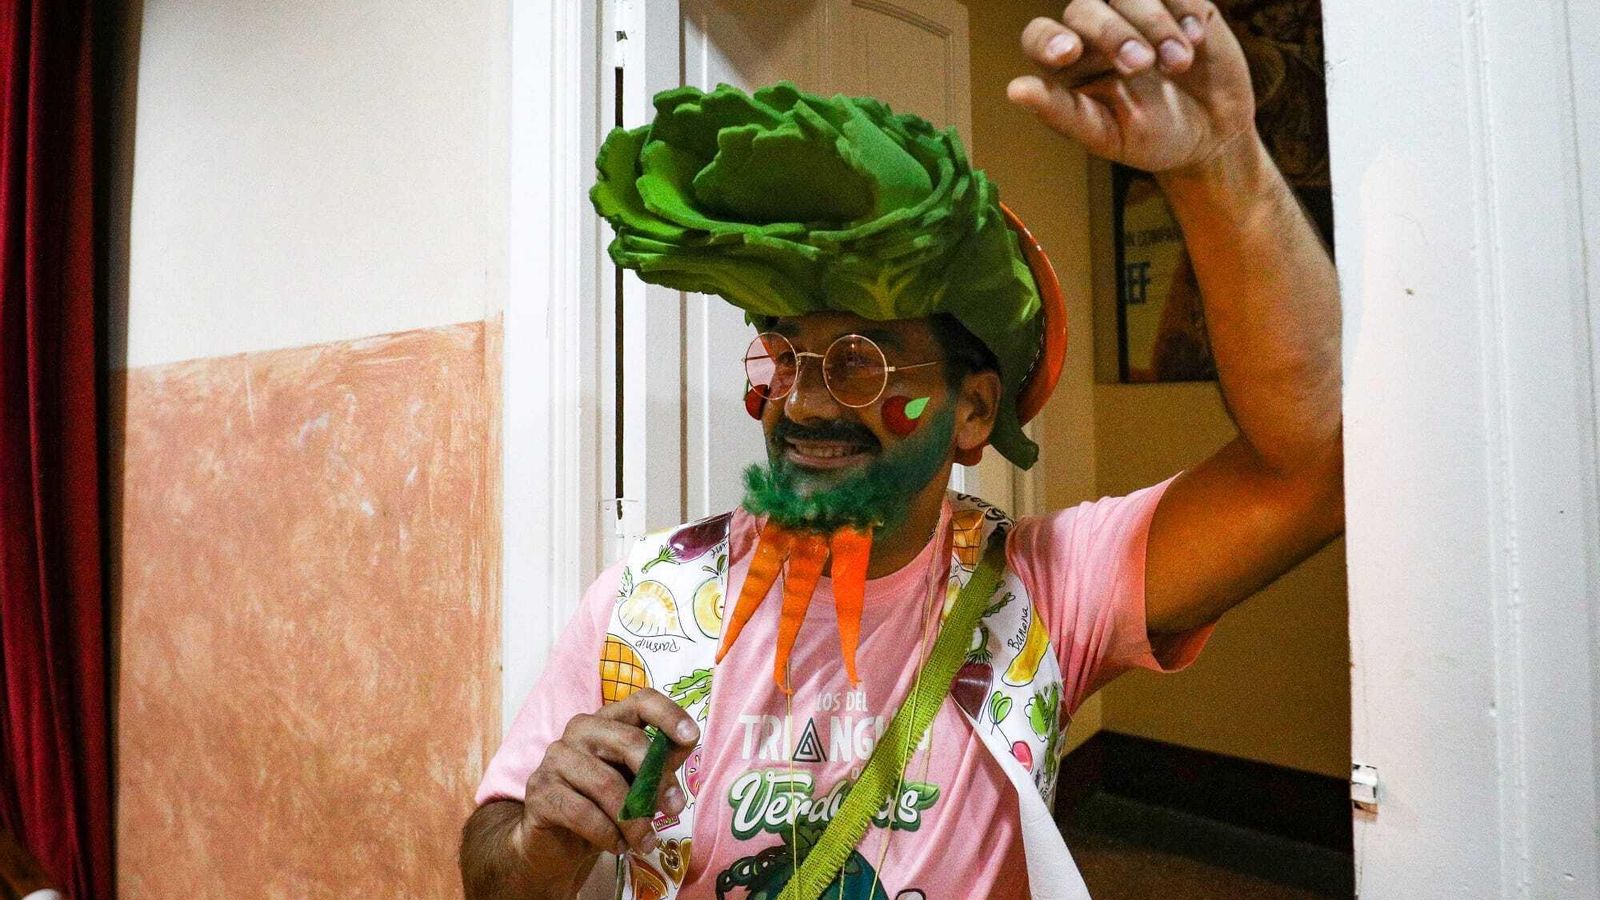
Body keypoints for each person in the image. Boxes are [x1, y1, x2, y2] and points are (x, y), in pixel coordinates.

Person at [460, 1, 1342, 897]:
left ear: (973, 413)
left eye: (860, 361)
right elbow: (492, 870)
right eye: (787, 353)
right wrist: (541, 838)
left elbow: (1308, 470)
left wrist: (1219, 161)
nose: (803, 402)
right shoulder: (648, 602)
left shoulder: (1043, 593)